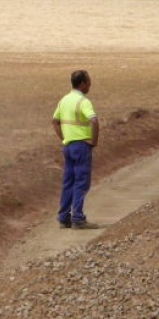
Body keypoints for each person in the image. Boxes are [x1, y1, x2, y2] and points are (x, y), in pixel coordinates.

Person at [52, 69, 100, 229]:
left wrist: (64, 138)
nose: (90, 85)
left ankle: (63, 217)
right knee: (81, 182)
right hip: (81, 146)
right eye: (88, 81)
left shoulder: (64, 100)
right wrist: (94, 141)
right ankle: (78, 218)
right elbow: (94, 120)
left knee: (68, 182)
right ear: (82, 84)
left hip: (69, 146)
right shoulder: (83, 101)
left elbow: (55, 121)